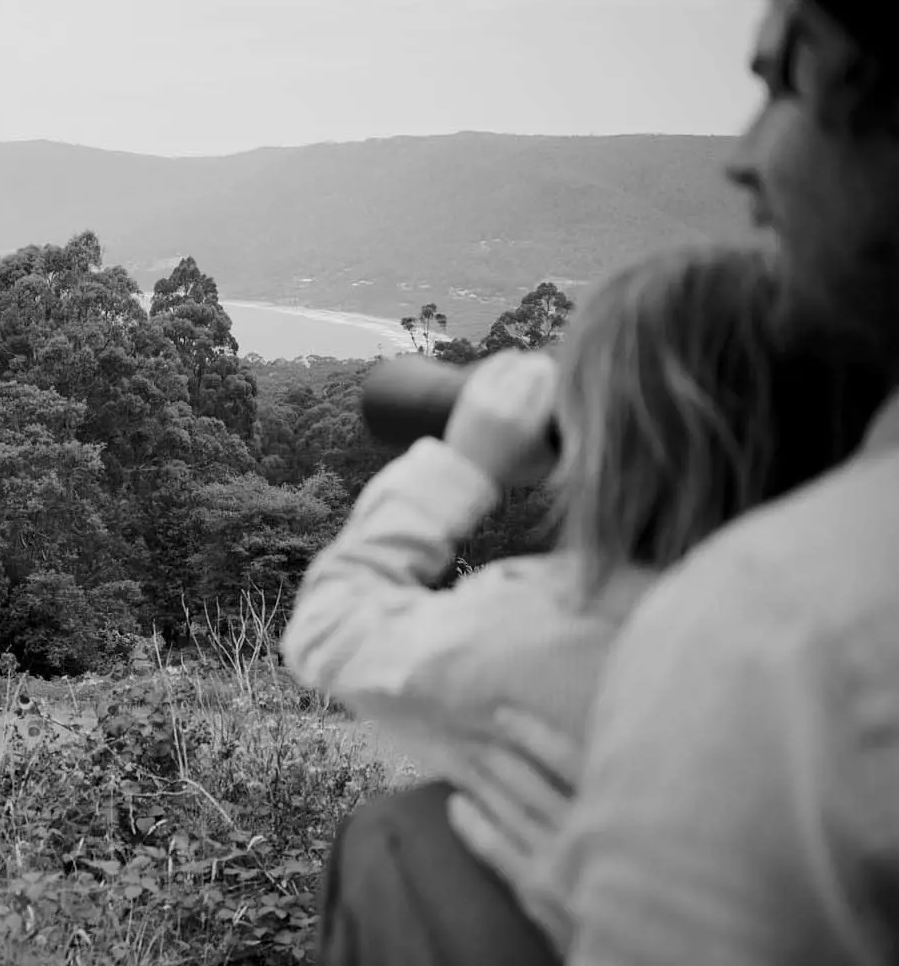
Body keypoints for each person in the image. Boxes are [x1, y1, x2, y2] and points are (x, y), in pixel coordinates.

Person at [360, 0, 899, 962]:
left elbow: (337, 636)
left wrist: (583, 871)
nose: (742, 159)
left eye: (785, 84)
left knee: (401, 841)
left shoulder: (769, 633)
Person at [281, 241, 881, 964]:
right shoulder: (860, 631)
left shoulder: (563, 629)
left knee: (403, 833)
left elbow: (328, 626)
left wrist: (463, 462)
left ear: (600, 447)